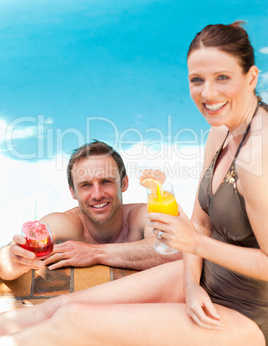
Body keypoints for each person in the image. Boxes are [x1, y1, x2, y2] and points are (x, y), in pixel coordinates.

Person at [0, 22, 267, 345]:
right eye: (197, 80)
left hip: (249, 314)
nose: (207, 93)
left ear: (251, 77)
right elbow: (200, 223)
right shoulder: (220, 133)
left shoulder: (258, 156)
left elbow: (200, 240)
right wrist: (192, 284)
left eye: (222, 77)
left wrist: (194, 245)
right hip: (206, 280)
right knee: (62, 305)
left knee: (74, 322)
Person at [0, 141, 181, 281]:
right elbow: (6, 259)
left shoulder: (144, 215)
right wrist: (14, 262)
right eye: (86, 185)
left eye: (106, 182)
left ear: (124, 183)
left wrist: (94, 253)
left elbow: (179, 252)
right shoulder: (63, 224)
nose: (97, 194)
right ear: (73, 192)